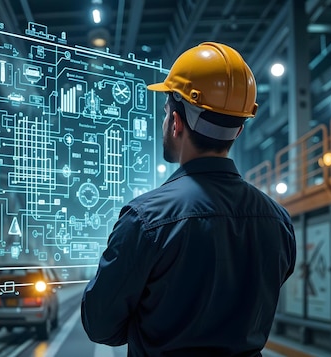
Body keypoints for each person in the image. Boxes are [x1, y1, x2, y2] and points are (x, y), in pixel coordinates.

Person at [81, 42, 297, 356]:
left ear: (177, 123)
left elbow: (99, 323)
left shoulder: (146, 219)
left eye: (167, 112)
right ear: (237, 131)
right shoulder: (278, 220)